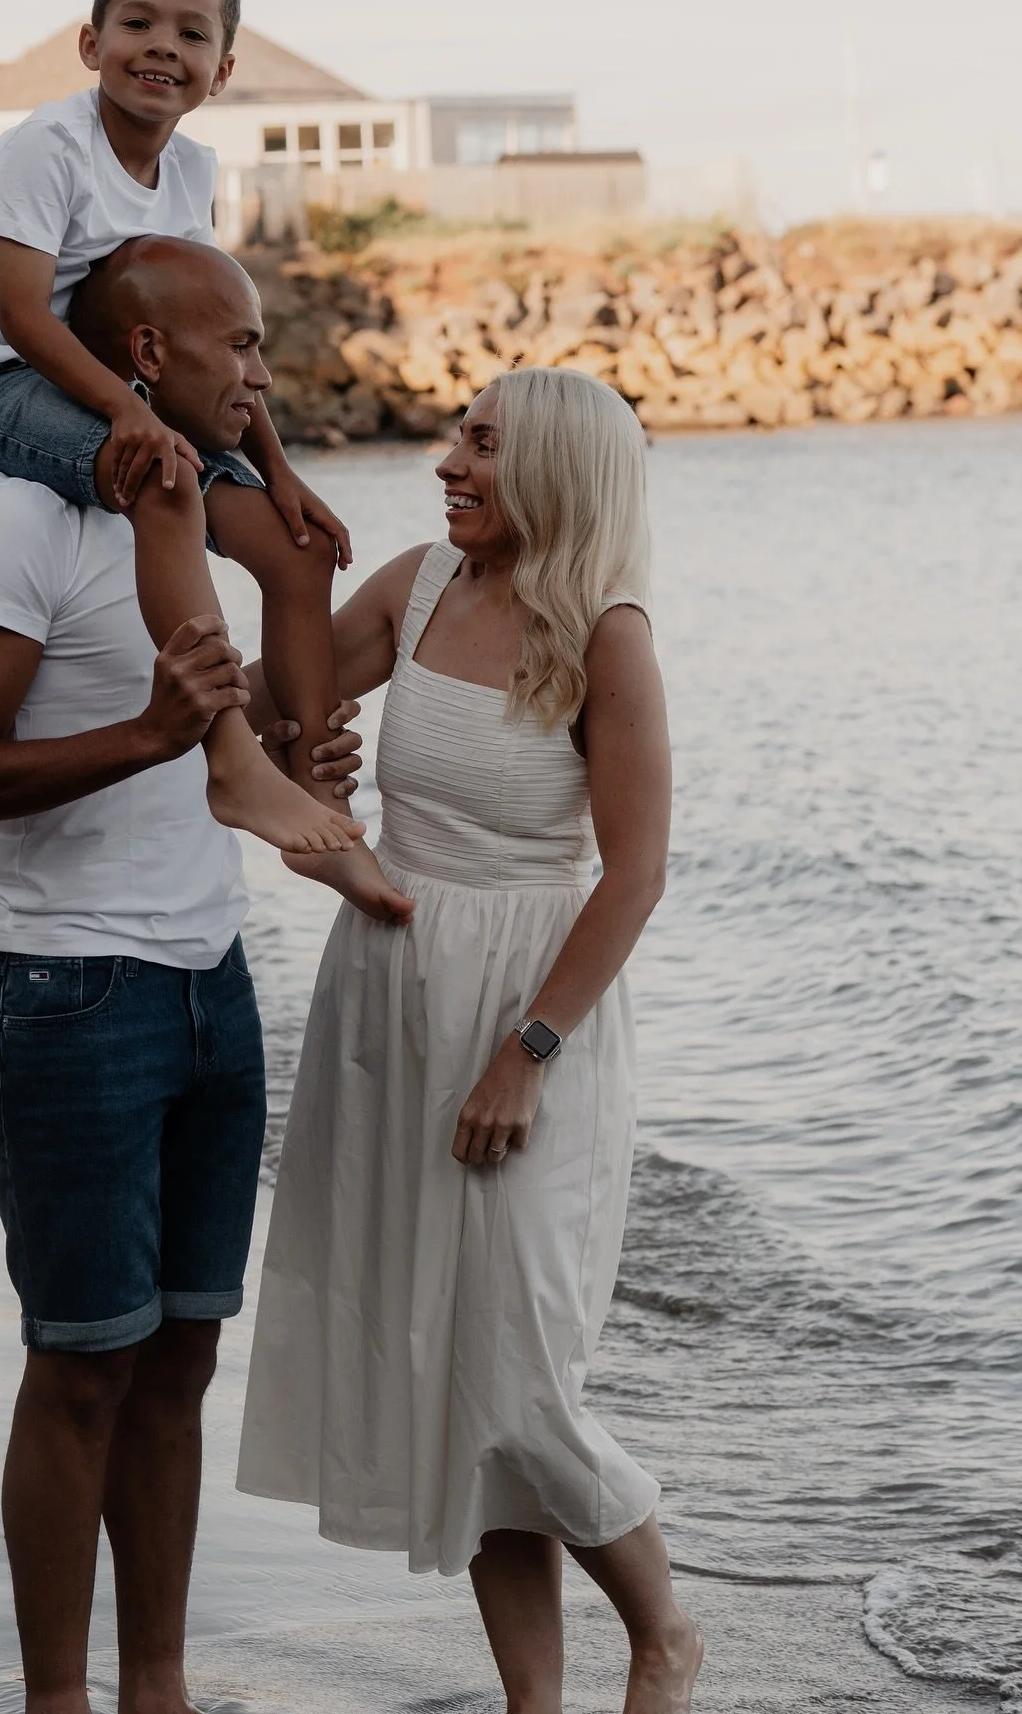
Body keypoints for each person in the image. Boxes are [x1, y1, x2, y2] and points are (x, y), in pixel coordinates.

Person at [0, 246, 364, 1714]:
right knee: (83, 1369)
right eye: (239, 346)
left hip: (209, 981)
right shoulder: (17, 518)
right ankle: (58, 1698)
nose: (260, 375)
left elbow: (227, 742)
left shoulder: (193, 522)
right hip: (65, 996)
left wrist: (301, 761)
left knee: (178, 1366)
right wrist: (154, 736)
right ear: (148, 357)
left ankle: (156, 1688)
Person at [237, 368, 704, 1714]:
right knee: (463, 1385)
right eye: (455, 434)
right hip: (389, 992)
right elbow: (280, 698)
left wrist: (529, 1052)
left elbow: (636, 874)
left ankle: (664, 1629)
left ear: (551, 470)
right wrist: (289, 722)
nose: (448, 459)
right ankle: (532, 1705)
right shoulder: (418, 583)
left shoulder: (609, 636)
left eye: (480, 444)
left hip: (533, 1014)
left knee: (516, 1376)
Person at [0, 0, 358, 861]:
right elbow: (25, 318)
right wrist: (132, 414)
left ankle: (311, 769)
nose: (164, 45)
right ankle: (234, 762)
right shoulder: (46, 149)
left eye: (192, 34)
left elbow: (214, 336)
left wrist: (278, 469)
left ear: (222, 69)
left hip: (113, 388)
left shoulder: (192, 171)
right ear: (91, 44)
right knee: (166, 479)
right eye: (139, 23)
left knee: (298, 548)